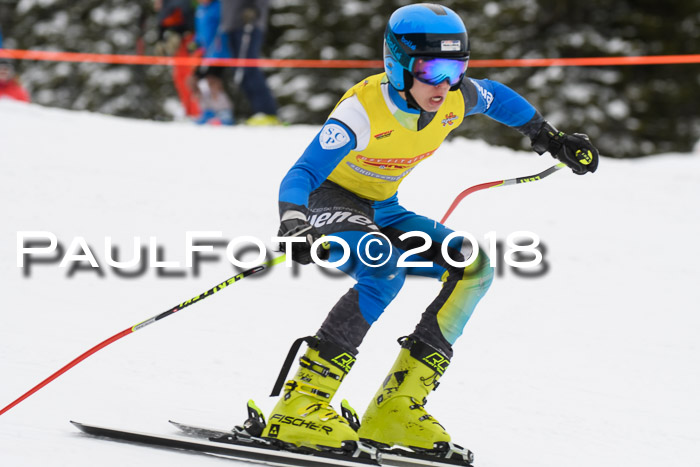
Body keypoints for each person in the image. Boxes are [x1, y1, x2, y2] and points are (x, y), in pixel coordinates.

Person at [263, 3, 598, 454]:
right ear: (397, 63)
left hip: (384, 207)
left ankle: (395, 408)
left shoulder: (456, 95)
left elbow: (497, 96)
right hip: (329, 202)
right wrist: (293, 221)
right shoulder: (363, 111)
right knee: (382, 269)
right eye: (432, 69)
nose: (444, 84)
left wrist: (550, 137)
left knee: (474, 267)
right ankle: (298, 408)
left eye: (456, 68)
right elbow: (301, 174)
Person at [220, 0, 280, 125]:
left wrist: (254, 9)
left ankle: (267, 112)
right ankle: (255, 112)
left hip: (248, 24)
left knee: (250, 69)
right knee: (239, 72)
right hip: (231, 26)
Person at [189, 0, 234, 125]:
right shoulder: (200, 9)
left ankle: (224, 112)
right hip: (204, 52)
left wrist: (216, 48)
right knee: (193, 80)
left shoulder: (219, 6)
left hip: (219, 51)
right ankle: (208, 110)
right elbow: (200, 31)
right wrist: (195, 43)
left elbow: (224, 27)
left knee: (212, 80)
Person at [154, 0, 201, 118]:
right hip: (177, 48)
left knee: (188, 77)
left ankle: (197, 112)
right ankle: (189, 111)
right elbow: (162, 26)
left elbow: (189, 20)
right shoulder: (164, 7)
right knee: (179, 77)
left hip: (187, 43)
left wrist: (181, 34)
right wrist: (161, 40)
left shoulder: (177, 3)